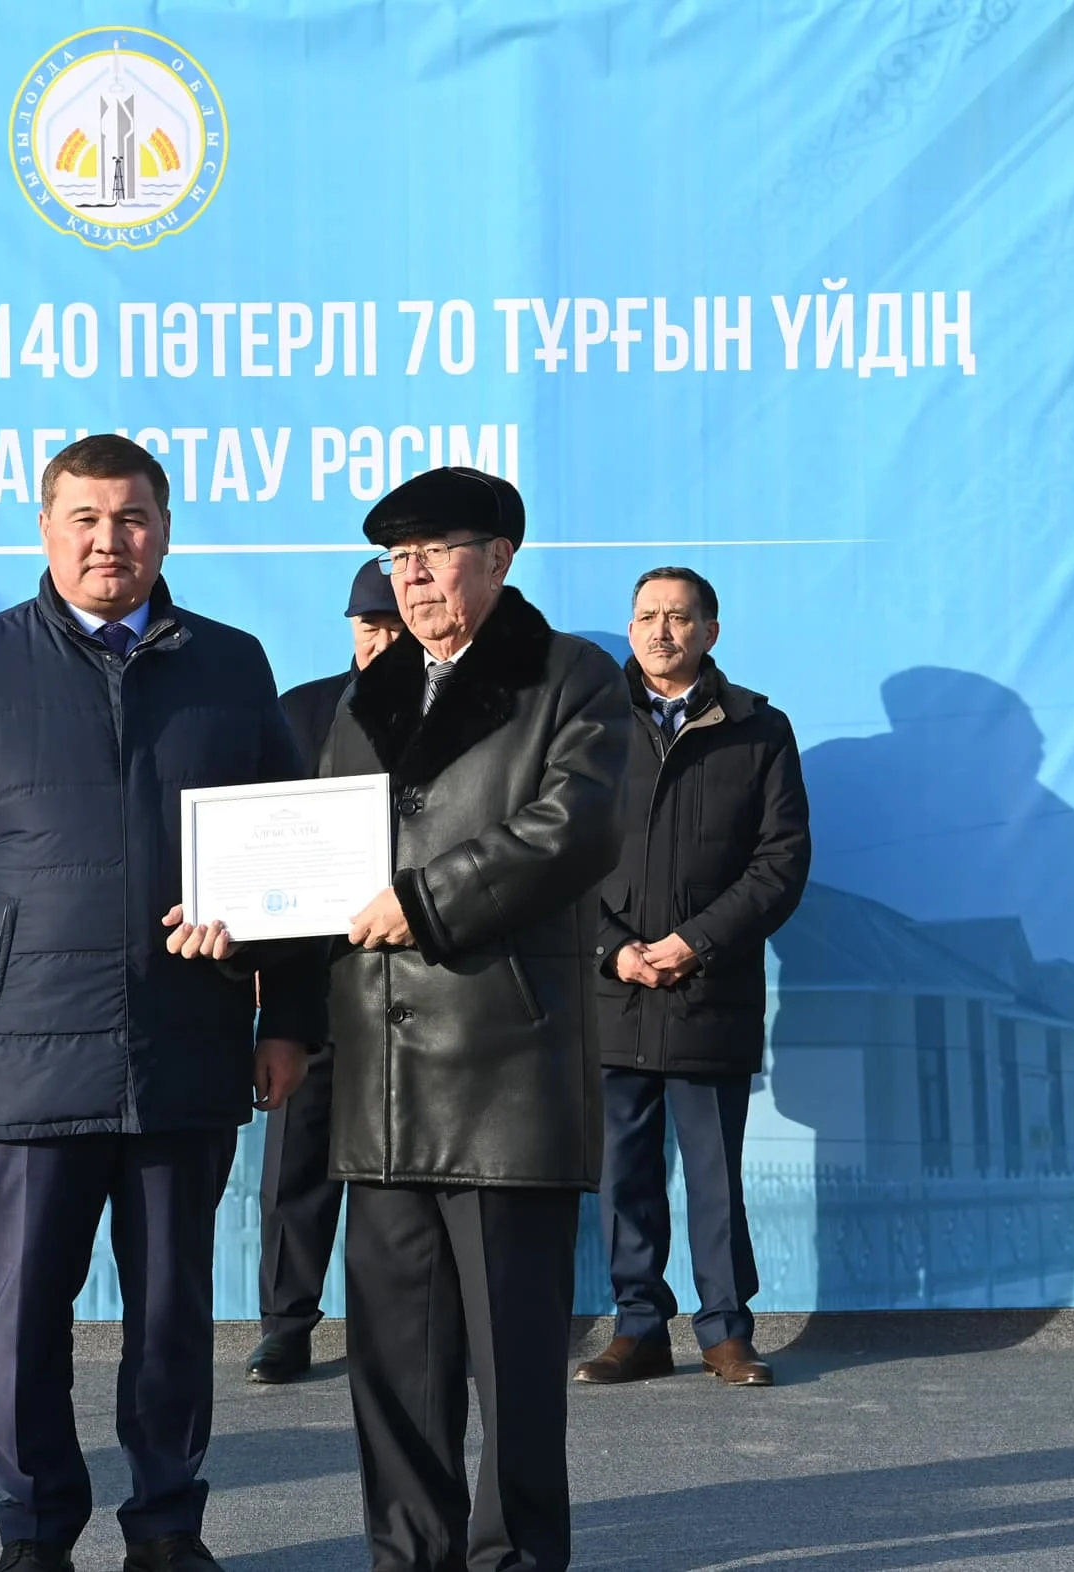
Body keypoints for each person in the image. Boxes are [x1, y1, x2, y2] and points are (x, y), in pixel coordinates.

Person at [0, 434, 323, 1572]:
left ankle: (167, 1526)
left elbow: (291, 859)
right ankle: (33, 1532)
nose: (107, 540)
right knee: (26, 1319)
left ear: (163, 531)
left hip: (185, 1045)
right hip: (20, 1055)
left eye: (130, 518)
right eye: (84, 517)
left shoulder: (230, 664)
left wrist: (285, 1017)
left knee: (171, 1318)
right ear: (45, 527)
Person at [320, 467, 629, 1572]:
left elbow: (574, 827)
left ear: (498, 558)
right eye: (397, 559)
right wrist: (242, 923)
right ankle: (409, 1557)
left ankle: (515, 1561)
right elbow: (320, 859)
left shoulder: (569, 677)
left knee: (512, 1367)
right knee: (393, 1369)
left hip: (502, 1074)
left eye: (434, 552)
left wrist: (427, 899)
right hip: (379, 1077)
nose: (412, 578)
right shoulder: (369, 693)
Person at [574, 567, 809, 1389]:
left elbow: (780, 863)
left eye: (678, 617)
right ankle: (637, 1327)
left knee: (714, 1174)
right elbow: (558, 851)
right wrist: (614, 948)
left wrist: (694, 943)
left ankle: (726, 1330)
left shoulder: (757, 729)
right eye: (646, 616)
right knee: (623, 1174)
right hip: (613, 988)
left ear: (711, 631)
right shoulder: (588, 725)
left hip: (709, 988)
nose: (661, 631)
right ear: (630, 628)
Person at [246, 556, 403, 1385]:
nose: (383, 642)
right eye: (369, 626)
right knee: (296, 1162)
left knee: (400, 1170)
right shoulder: (302, 710)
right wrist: (264, 964)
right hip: (315, 975)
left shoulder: (460, 715)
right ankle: (286, 1324)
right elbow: (263, 839)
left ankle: (396, 1325)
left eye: (395, 626)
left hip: (418, 978)